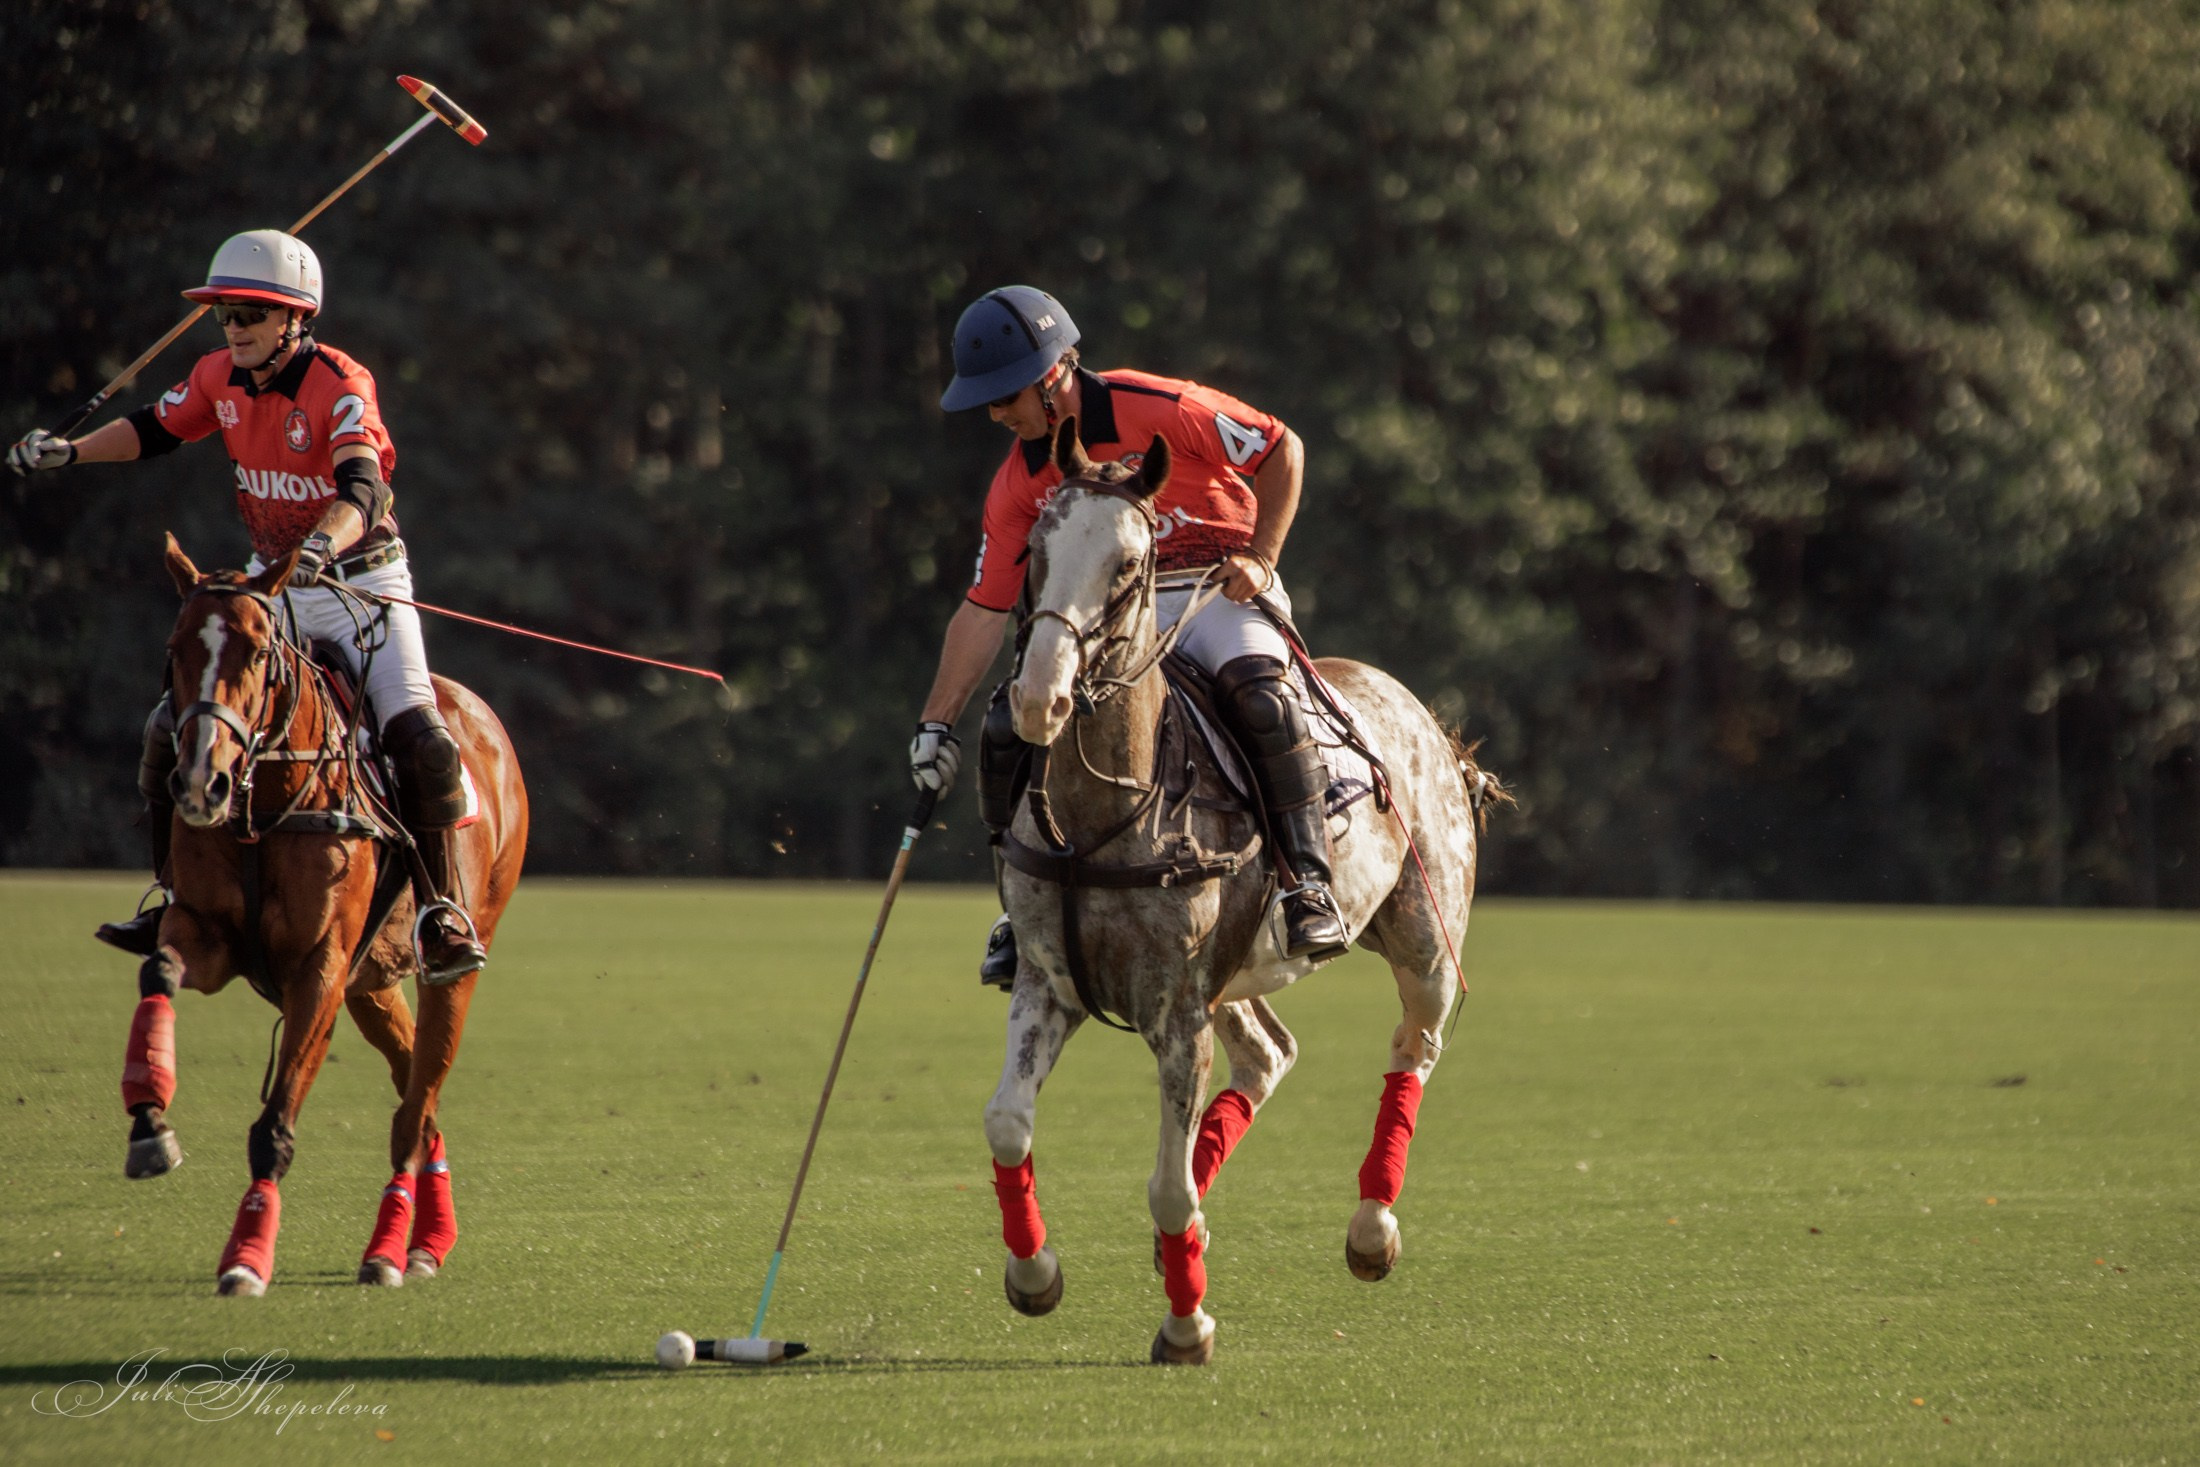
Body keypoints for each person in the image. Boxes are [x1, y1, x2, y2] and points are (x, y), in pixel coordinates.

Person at [8, 229, 488, 981]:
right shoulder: (217, 376)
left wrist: (322, 544)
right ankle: (172, 895)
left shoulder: (340, 383)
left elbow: (366, 488)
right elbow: (154, 429)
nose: (234, 327)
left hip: (362, 585)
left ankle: (440, 912)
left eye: (251, 313)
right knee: (170, 726)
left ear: (296, 317)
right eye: (225, 313)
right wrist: (72, 452)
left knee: (421, 739)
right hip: (273, 587)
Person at [910, 285, 1349, 988]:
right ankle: (1019, 908)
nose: (996, 414)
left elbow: (1280, 448)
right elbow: (985, 606)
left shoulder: (1160, 407)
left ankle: (1308, 883)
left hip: (1216, 586)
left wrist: (1262, 557)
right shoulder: (1020, 480)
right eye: (986, 402)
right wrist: (936, 724)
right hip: (1109, 617)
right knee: (1007, 724)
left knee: (1261, 698)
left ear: (1054, 374)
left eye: (1005, 396)